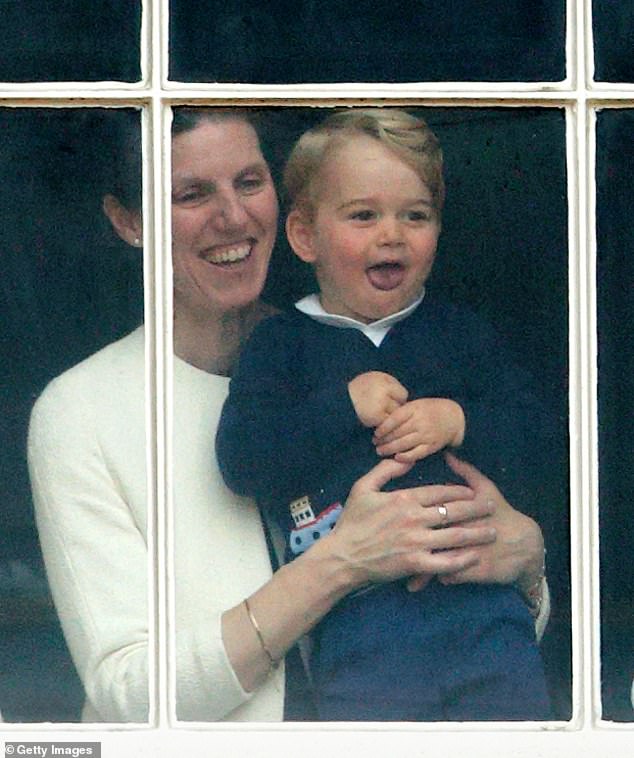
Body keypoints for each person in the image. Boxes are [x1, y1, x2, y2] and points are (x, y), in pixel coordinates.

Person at [27, 107, 549, 723]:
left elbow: (480, 631)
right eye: (191, 194)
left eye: (249, 183)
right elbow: (129, 695)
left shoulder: (352, 348)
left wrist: (528, 561)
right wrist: (342, 563)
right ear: (129, 221)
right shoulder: (80, 412)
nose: (233, 217)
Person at [217, 108, 554, 720]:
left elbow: (541, 441)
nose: (392, 234)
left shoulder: (462, 333)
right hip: (360, 622)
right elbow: (244, 458)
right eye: (363, 215)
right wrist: (343, 406)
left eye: (415, 215)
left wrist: (459, 420)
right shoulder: (281, 345)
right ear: (304, 236)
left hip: (485, 610)